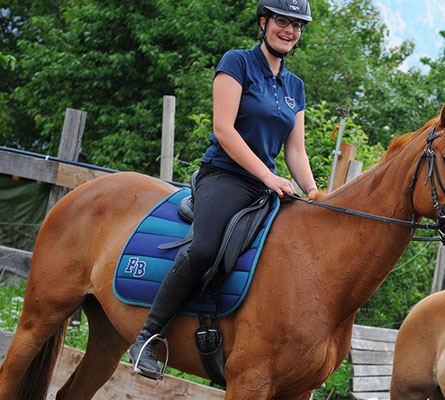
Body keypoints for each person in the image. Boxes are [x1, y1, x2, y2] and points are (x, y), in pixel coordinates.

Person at [127, 0, 320, 380]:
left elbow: (294, 149)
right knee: (203, 249)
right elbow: (224, 130)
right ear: (263, 22)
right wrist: (268, 176)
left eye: (297, 25)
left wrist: (314, 192)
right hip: (225, 175)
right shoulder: (237, 62)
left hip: (269, 186)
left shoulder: (295, 86)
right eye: (282, 21)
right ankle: (148, 338)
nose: (290, 31)